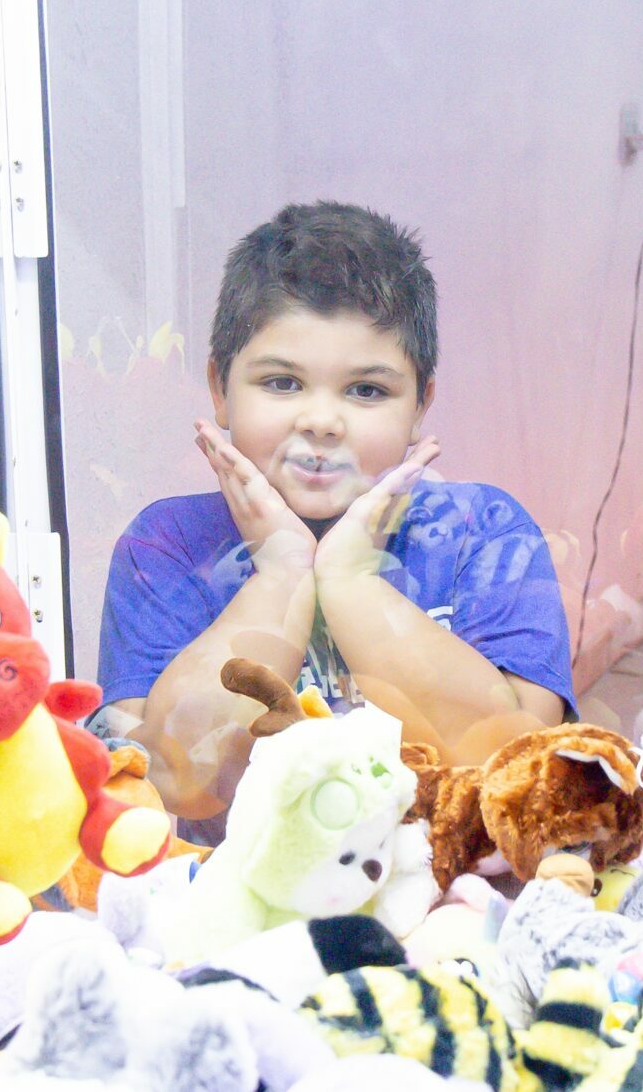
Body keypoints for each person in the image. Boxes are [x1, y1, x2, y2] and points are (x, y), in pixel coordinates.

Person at [95, 201, 576, 834]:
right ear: (220, 388)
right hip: (235, 892)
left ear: (420, 404)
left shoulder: (483, 533)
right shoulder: (166, 546)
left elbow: (513, 768)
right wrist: (280, 574)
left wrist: (352, 581)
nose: (322, 421)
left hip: (441, 888)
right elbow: (171, 782)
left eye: (366, 390)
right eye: (282, 383)